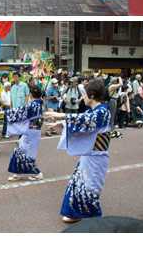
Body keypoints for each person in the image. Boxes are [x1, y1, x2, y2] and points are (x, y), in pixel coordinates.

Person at [48, 75, 111, 223]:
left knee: (90, 188)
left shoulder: (102, 111)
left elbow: (84, 121)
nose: (82, 98)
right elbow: (82, 123)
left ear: (92, 95)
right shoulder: (93, 111)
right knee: (77, 182)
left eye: (84, 95)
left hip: (97, 156)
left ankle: (95, 221)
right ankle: (75, 213)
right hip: (88, 154)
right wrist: (62, 125)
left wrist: (62, 115)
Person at [6, 81, 43, 179]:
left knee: (24, 152)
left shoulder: (33, 105)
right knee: (23, 150)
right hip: (34, 131)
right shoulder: (40, 104)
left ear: (31, 94)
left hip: (30, 131)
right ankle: (18, 173)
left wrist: (7, 113)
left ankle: (37, 173)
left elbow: (20, 112)